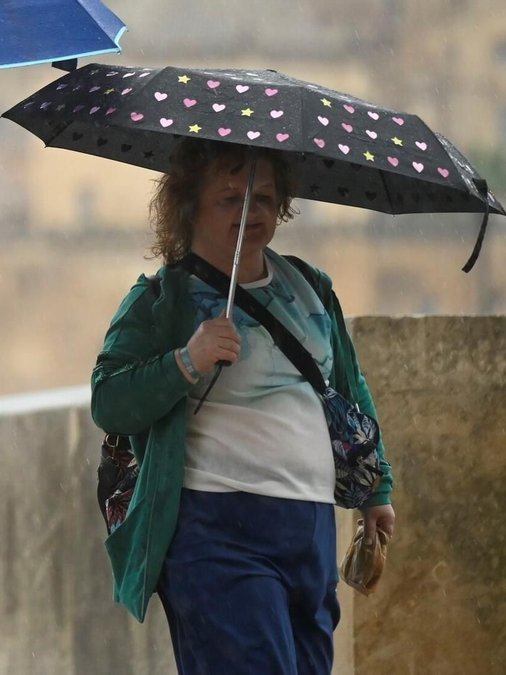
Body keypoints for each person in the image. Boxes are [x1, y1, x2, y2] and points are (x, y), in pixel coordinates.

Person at [90, 140, 396, 675]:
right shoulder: (161, 301)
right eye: (230, 198)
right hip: (214, 528)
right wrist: (186, 360)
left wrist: (377, 490)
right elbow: (109, 400)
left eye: (264, 197)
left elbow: (348, 390)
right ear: (189, 206)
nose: (251, 212)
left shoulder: (310, 288)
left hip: (309, 527)